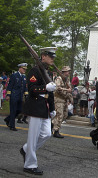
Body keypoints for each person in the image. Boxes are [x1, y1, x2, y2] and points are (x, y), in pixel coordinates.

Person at [20, 47, 57, 176]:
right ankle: (30, 165)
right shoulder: (35, 70)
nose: (53, 59)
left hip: (45, 107)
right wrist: (45, 87)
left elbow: (51, 93)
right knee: (33, 137)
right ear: (43, 56)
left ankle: (26, 149)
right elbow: (31, 89)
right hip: (35, 106)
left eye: (53, 57)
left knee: (46, 134)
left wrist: (52, 108)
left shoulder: (49, 73)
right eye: (50, 56)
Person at [4, 63, 28, 130]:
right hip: (14, 95)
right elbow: (10, 86)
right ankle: (12, 126)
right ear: (19, 68)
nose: (24, 70)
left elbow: (25, 87)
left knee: (20, 110)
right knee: (13, 110)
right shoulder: (14, 75)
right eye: (23, 69)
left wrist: (26, 94)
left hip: (20, 96)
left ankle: (8, 119)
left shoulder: (24, 77)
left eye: (25, 69)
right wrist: (8, 95)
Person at [52, 66, 72, 138]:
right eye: (67, 71)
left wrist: (70, 98)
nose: (69, 73)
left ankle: (52, 125)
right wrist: (67, 90)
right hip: (58, 99)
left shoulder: (67, 80)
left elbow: (70, 88)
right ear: (64, 72)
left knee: (64, 115)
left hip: (64, 100)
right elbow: (57, 88)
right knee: (59, 115)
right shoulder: (58, 79)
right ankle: (56, 131)